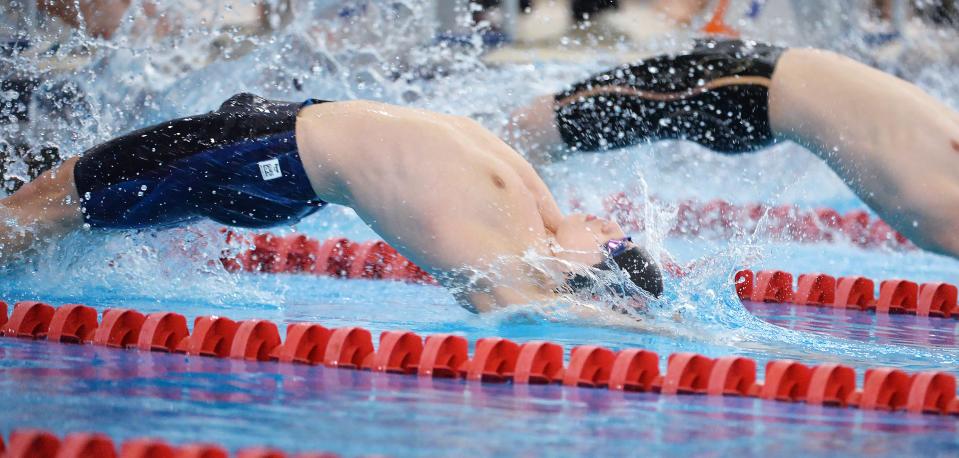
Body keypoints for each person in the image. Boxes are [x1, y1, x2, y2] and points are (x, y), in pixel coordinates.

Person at [0, 93, 663, 313]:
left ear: (569, 276)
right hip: (277, 145)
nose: (616, 228)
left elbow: (523, 309)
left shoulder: (498, 253)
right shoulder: (536, 214)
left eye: (615, 248)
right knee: (59, 209)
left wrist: (673, 337)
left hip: (258, 155)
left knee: (36, 209)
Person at [509, 39, 959, 259]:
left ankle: (540, 244)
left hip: (755, 90)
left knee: (532, 128)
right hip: (740, 83)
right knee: (530, 126)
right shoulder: (942, 178)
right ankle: (528, 247)